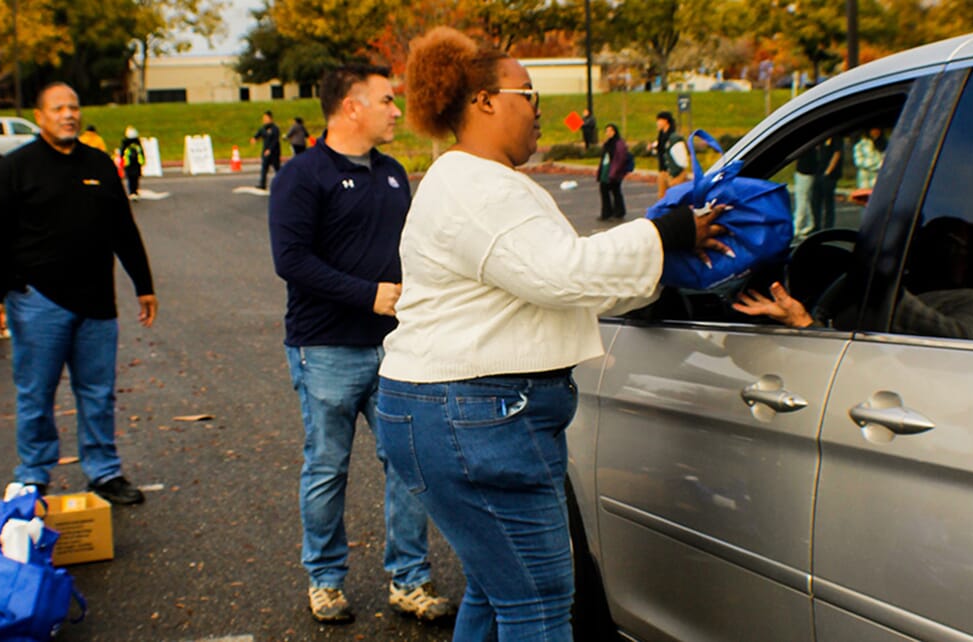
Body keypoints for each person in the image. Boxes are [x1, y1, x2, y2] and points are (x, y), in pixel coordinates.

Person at [376, 27, 729, 641]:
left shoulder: (474, 182)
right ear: (485, 100)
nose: (539, 111)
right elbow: (561, 273)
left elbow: (565, 280)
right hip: (477, 414)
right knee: (537, 603)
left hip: (450, 408)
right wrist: (664, 234)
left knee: (496, 592)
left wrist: (659, 262)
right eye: (529, 94)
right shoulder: (475, 186)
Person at [267, 65, 454, 624]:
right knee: (327, 467)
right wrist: (366, 295)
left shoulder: (394, 173)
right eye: (387, 101)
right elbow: (291, 261)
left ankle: (410, 579)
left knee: (407, 464)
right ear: (352, 106)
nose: (398, 111)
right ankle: (325, 580)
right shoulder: (301, 177)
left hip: (398, 348)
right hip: (325, 348)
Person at [0, 82, 158, 504]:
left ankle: (104, 471)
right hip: (38, 302)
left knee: (97, 394)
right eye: (58, 108)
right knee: (36, 394)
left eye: (73, 107)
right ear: (40, 117)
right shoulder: (16, 168)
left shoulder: (98, 163)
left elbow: (123, 230)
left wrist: (143, 285)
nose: (68, 115)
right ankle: (34, 474)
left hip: (98, 304)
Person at [732, 217, 973, 342]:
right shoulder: (919, 289)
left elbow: (961, 347)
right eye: (922, 235)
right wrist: (802, 322)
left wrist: (880, 286)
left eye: (947, 241)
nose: (924, 244)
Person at [651, 111, 689, 200]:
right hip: (662, 172)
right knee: (662, 199)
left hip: (674, 174)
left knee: (676, 199)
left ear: (666, 121)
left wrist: (677, 173)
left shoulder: (674, 139)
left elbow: (683, 160)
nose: (657, 123)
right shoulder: (661, 137)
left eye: (659, 120)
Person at [598, 123, 629, 220]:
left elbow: (621, 158)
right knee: (605, 191)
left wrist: (615, 171)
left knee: (615, 191)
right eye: (606, 131)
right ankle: (608, 212)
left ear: (614, 132)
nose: (608, 133)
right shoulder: (608, 143)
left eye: (610, 131)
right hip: (606, 170)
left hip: (614, 172)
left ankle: (618, 212)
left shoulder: (619, 143)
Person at [812, 135, 843, 229]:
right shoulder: (821, 139)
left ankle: (828, 226)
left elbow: (837, 154)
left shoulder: (836, 139)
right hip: (819, 172)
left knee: (828, 202)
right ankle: (816, 226)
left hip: (830, 175)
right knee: (815, 201)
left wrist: (828, 171)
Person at [250, 110, 281, 190]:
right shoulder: (263, 128)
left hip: (274, 152)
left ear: (270, 119)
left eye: (266, 118)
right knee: (264, 168)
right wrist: (254, 138)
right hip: (265, 152)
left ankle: (283, 182)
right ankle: (262, 184)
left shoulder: (275, 129)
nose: (264, 120)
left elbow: (275, 141)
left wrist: (270, 150)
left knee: (277, 168)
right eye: (263, 118)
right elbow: (258, 133)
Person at [792, 146, 818, 239]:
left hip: (805, 171)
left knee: (801, 199)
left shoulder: (808, 148)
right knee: (805, 199)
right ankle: (810, 223)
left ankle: (797, 225)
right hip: (803, 171)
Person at [120, 127, 145, 201]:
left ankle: (132, 192)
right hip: (136, 164)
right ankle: (134, 191)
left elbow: (122, 153)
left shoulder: (125, 144)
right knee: (135, 179)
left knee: (131, 179)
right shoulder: (137, 144)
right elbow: (142, 153)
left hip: (129, 164)